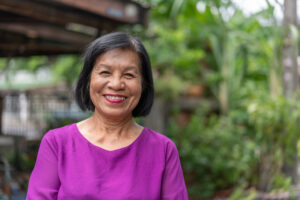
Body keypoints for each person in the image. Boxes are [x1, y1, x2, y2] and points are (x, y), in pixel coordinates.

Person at [26, 32, 188, 200]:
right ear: (88, 79)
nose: (116, 84)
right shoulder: (57, 143)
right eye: (105, 72)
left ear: (143, 84)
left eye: (129, 75)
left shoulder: (163, 150)